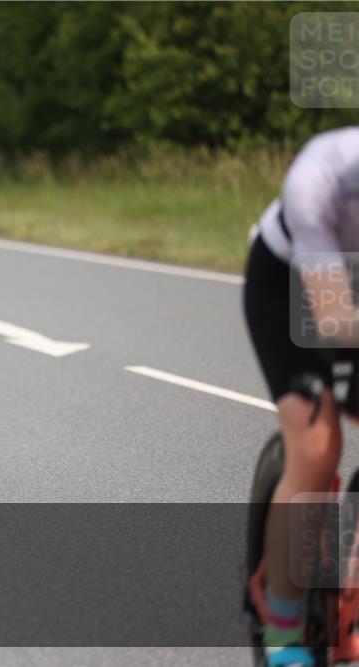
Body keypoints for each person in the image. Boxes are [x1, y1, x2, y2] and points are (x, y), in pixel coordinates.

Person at [243, 125, 359, 667]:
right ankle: (283, 633)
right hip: (291, 287)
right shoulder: (321, 172)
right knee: (318, 445)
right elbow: (334, 318)